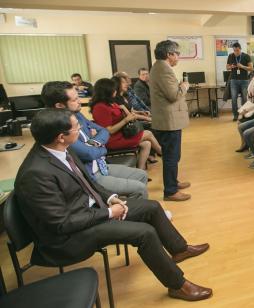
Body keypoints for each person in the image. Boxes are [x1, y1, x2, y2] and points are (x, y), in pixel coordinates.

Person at [15, 108, 212, 302]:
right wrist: (109, 212)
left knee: (151, 207)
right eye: (76, 128)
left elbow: (89, 184)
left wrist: (110, 198)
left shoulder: (62, 150)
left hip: (89, 212)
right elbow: (61, 224)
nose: (82, 132)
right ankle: (178, 286)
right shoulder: (36, 174)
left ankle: (179, 249)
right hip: (68, 237)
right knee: (145, 233)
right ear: (60, 137)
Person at [41, 81, 149, 199]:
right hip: (91, 175)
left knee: (142, 175)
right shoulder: (59, 129)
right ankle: (127, 213)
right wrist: (101, 146)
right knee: (139, 188)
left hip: (100, 165)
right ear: (59, 106)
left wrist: (92, 142)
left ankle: (132, 211)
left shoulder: (77, 115)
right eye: (75, 99)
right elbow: (89, 153)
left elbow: (104, 131)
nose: (80, 101)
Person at [149, 40, 191, 202]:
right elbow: (173, 95)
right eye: (177, 54)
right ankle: (171, 191)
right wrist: (184, 86)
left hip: (167, 120)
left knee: (172, 155)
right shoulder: (163, 69)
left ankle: (173, 182)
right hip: (168, 121)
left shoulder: (159, 68)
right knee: (171, 157)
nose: (178, 57)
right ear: (169, 54)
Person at [90, 78, 159, 171]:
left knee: (146, 144)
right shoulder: (100, 107)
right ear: (106, 91)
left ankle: (140, 171)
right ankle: (162, 152)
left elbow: (124, 114)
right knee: (148, 133)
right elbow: (108, 130)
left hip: (121, 134)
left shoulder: (111, 103)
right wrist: (126, 120)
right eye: (113, 89)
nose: (115, 91)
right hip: (112, 140)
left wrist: (126, 112)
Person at [227, 42, 253, 121]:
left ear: (240, 49)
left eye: (237, 50)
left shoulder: (246, 56)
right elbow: (227, 67)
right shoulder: (231, 56)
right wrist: (231, 66)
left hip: (244, 80)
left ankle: (243, 114)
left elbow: (251, 68)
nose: (236, 52)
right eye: (234, 50)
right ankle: (235, 115)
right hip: (233, 80)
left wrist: (242, 66)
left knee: (244, 99)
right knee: (234, 98)